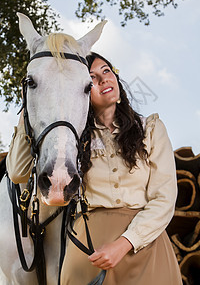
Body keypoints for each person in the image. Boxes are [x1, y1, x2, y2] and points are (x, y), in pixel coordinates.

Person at [6, 52, 182, 285]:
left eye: (106, 71)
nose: (103, 80)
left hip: (147, 247)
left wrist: (124, 244)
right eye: (92, 79)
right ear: (83, 93)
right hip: (88, 252)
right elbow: (18, 173)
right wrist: (31, 103)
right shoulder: (71, 140)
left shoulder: (150, 128)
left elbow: (164, 198)